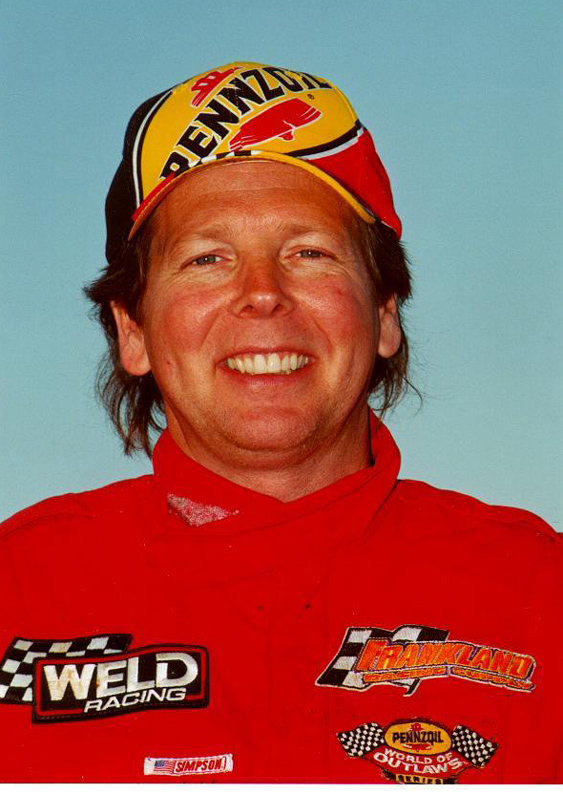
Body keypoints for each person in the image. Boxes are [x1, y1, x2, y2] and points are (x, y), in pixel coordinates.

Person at [0, 61, 559, 784]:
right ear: (132, 330)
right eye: (207, 258)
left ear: (384, 313)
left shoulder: (537, 593)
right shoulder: (18, 589)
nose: (262, 294)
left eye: (308, 253)